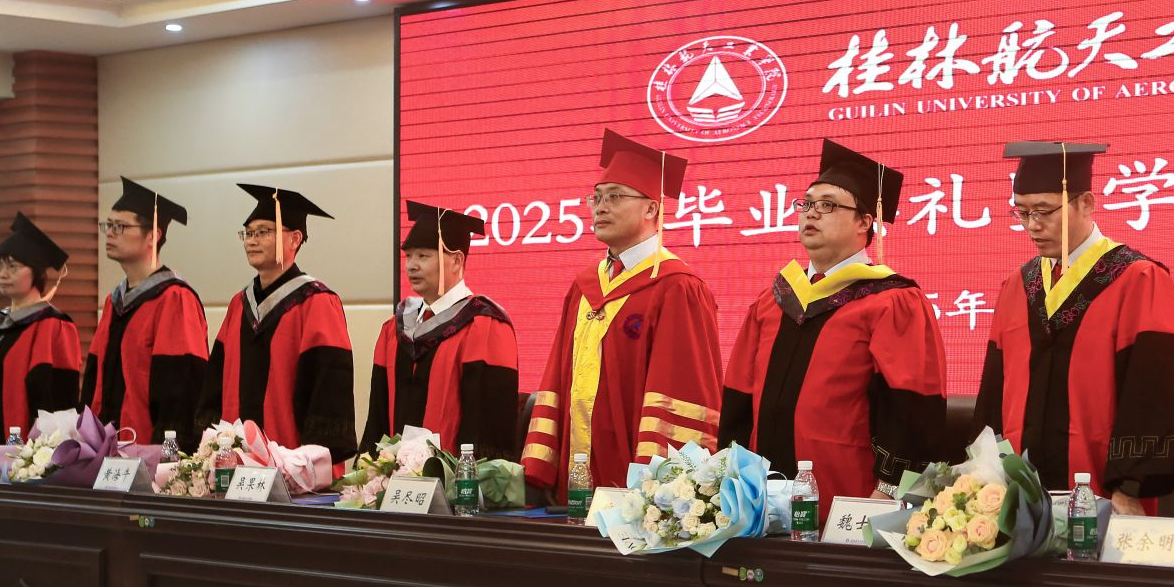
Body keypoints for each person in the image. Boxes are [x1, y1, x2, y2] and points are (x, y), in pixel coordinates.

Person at [722, 141, 946, 507]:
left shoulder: (890, 300)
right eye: (807, 204)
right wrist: (729, 482)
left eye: (828, 205)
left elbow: (911, 405)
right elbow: (739, 396)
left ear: (864, 222)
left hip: (851, 499)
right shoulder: (773, 301)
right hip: (760, 500)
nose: (812, 213)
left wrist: (888, 489)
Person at [975, 141, 1174, 514]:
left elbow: (1151, 394)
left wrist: (1129, 486)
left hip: (1103, 493)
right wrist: (984, 476)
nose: (1032, 225)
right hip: (1016, 497)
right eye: (1022, 212)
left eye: (1044, 211)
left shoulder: (1136, 278)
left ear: (1086, 203)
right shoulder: (1017, 285)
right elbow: (993, 392)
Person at [521, 130, 721, 497]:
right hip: (573, 482)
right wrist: (541, 464)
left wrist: (657, 491)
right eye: (596, 197)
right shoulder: (584, 287)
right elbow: (555, 378)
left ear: (651, 209)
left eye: (614, 196)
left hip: (637, 493)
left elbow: (682, 393)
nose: (600, 207)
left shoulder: (677, 287)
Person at [200, 184, 356, 457]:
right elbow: (214, 384)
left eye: (263, 232)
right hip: (234, 462)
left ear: (294, 239)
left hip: (290, 461)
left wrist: (310, 460)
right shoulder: (239, 304)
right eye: (248, 233)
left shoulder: (317, 302)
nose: (251, 241)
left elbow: (329, 389)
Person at [360, 202, 519, 458]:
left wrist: (464, 477)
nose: (411, 266)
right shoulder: (394, 329)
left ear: (456, 260)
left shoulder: (484, 325)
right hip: (394, 478)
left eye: (423, 256)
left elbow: (488, 425)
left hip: (454, 477)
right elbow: (377, 417)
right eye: (408, 256)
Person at [82, 177, 207, 445]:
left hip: (149, 452)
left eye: (120, 226)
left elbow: (181, 389)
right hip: (106, 452)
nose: (110, 233)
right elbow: (94, 383)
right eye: (108, 225)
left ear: (153, 235)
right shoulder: (114, 301)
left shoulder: (174, 298)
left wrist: (169, 456)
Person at [0, 213, 81, 448]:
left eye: (12, 266)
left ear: (37, 272)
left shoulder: (53, 324)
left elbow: (60, 397)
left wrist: (45, 453)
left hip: (31, 453)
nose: (2, 274)